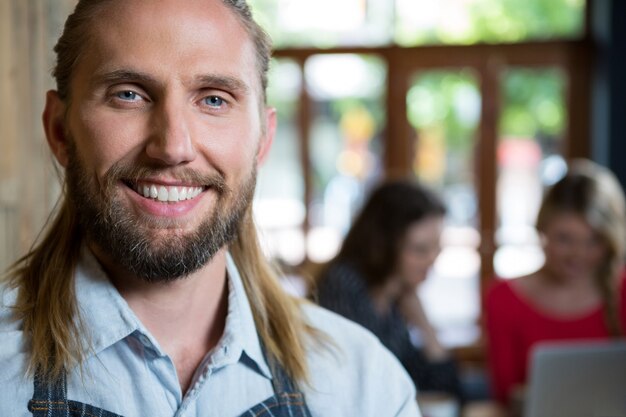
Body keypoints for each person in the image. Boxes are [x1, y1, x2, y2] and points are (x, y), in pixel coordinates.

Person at [0, 1, 421, 416]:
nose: (173, 147)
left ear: (262, 141)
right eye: (128, 95)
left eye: (214, 100)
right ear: (59, 130)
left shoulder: (365, 386)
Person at [485, 159, 626, 406]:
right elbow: (505, 395)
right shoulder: (503, 299)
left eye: (593, 241)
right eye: (564, 239)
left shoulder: (621, 290)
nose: (578, 254)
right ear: (543, 231)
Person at [314, 180, 462, 401]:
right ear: (383, 245)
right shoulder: (343, 285)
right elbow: (363, 389)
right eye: (420, 249)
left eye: (437, 248)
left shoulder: (396, 297)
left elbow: (442, 389)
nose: (432, 259)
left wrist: (426, 327)